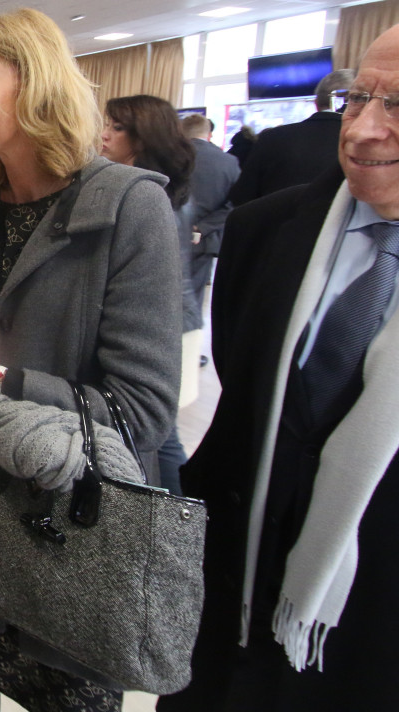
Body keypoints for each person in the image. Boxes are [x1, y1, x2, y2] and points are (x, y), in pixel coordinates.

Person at [160, 10, 399, 712]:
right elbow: (247, 398)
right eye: (359, 97)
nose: (362, 129)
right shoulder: (264, 231)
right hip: (235, 603)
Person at [0, 9, 181, 711]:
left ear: (37, 80)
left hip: (73, 530)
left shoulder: (130, 208)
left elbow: (143, 411)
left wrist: (6, 380)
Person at [101, 94, 197, 494]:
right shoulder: (139, 187)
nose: (104, 134)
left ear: (142, 137)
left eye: (117, 128)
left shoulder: (146, 195)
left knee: (159, 433)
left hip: (169, 323)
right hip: (168, 318)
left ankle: (174, 516)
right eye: (107, 124)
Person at [229, 68, 356, 205]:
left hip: (274, 224)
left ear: (316, 102)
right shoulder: (360, 145)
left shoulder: (272, 138)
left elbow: (240, 197)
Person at [181, 113, 240, 313]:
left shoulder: (168, 158)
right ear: (209, 134)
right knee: (193, 298)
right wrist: (202, 227)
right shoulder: (229, 162)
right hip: (203, 240)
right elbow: (235, 203)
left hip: (167, 233)